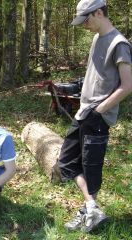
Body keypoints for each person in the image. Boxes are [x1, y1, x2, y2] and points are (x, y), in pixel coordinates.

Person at [58, 0, 132, 233]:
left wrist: (99, 110)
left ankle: (90, 211)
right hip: (84, 111)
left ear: (99, 12)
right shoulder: (97, 38)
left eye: (86, 20)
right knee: (67, 162)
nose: (84, 25)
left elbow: (128, 85)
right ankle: (91, 206)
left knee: (91, 167)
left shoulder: (119, 44)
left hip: (98, 116)